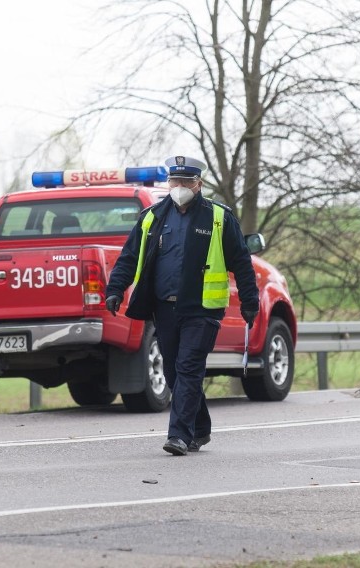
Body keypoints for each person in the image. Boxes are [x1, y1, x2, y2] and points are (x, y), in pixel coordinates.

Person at [105, 155, 259, 456]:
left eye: (186, 181)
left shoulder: (218, 217)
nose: (180, 186)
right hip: (164, 307)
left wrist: (250, 301)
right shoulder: (152, 217)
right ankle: (200, 428)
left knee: (188, 368)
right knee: (175, 373)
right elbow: (128, 256)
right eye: (175, 181)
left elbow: (241, 261)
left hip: (202, 308)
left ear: (198, 184)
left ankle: (178, 435)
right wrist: (115, 289)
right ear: (169, 183)